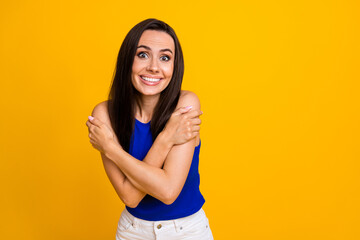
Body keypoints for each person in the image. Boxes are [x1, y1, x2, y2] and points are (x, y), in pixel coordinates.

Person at [86, 18, 213, 240]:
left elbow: (167, 191)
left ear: (174, 66)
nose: (154, 67)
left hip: (187, 232)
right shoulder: (104, 114)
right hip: (132, 232)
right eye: (142, 54)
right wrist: (166, 138)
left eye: (165, 58)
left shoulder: (186, 105)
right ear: (127, 60)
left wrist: (110, 148)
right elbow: (130, 197)